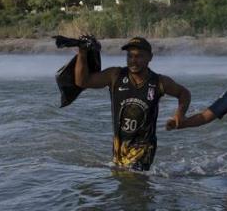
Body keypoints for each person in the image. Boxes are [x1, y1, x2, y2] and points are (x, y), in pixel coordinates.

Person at [74, 36, 191, 171]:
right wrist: (82, 53)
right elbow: (82, 82)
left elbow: (184, 93)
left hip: (145, 148)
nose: (133, 61)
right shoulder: (115, 75)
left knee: (135, 182)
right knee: (122, 183)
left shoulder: (159, 82)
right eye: (130, 56)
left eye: (139, 56)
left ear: (150, 57)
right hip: (120, 147)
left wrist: (179, 115)